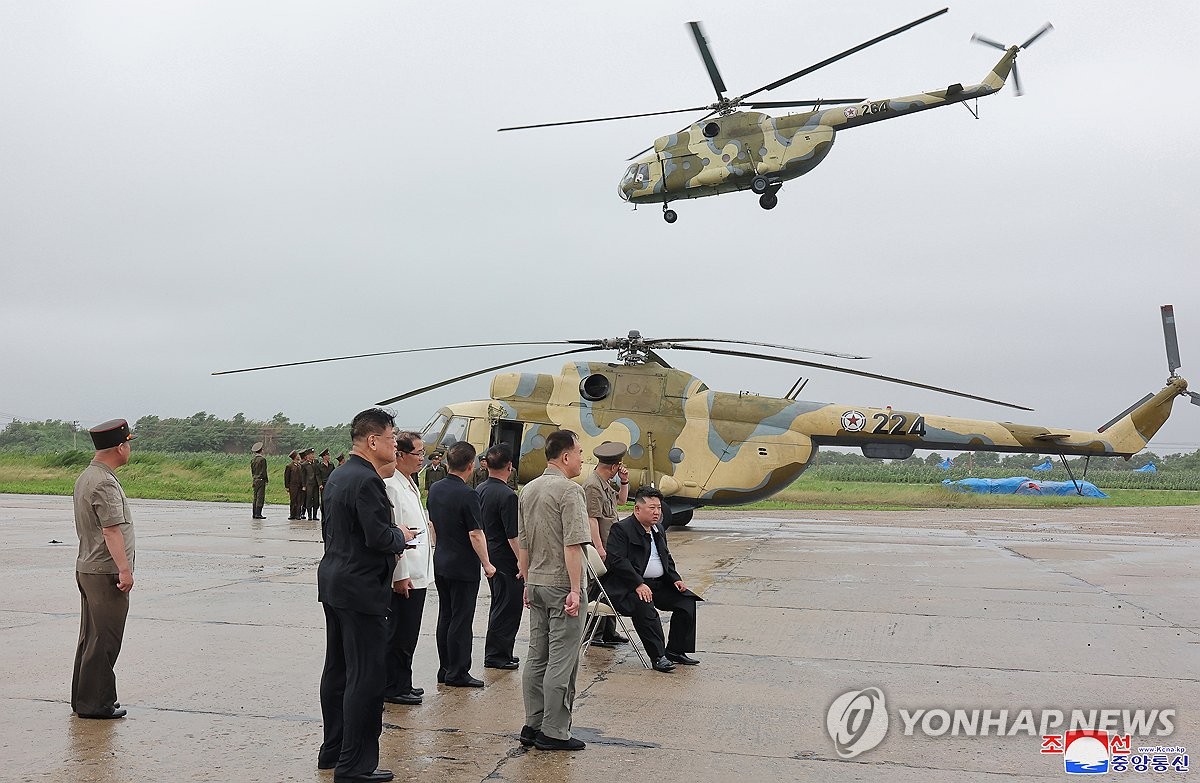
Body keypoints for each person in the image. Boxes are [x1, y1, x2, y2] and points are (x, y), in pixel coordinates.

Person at [317, 409, 408, 783]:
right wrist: (400, 534)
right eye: (391, 438)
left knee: (338, 669)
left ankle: (333, 750)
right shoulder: (369, 481)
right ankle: (355, 765)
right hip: (361, 587)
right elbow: (379, 537)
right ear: (373, 441)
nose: (394, 445)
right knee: (366, 675)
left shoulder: (339, 475)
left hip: (336, 581)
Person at [517, 429, 591, 751]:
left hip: (536, 581)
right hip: (563, 585)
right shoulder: (570, 491)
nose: (582, 458)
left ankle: (532, 724)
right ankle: (554, 730)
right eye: (579, 452)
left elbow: (523, 542)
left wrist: (526, 578)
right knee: (562, 660)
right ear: (565, 457)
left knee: (536, 656)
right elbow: (573, 544)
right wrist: (576, 589)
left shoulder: (528, 490)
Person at [72, 418, 137, 720]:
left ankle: (84, 700)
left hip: (88, 567)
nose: (129, 449)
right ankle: (96, 704)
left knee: (91, 638)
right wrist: (124, 571)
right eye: (128, 444)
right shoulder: (105, 482)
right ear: (120, 446)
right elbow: (112, 531)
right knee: (105, 641)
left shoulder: (87, 475)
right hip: (105, 572)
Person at [602, 487, 703, 673]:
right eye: (652, 508)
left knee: (686, 601)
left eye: (658, 508)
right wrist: (637, 583)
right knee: (645, 606)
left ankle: (675, 650)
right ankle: (658, 657)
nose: (657, 512)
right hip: (626, 587)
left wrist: (675, 579)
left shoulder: (658, 530)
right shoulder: (621, 529)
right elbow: (617, 561)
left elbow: (666, 557)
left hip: (657, 584)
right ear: (637, 509)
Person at [426, 441, 496, 687]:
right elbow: (475, 533)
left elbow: (433, 524)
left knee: (445, 614)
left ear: (447, 463)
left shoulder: (435, 489)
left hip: (442, 559)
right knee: (461, 618)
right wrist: (487, 564)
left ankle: (445, 668)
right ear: (471, 465)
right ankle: (458, 671)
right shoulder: (468, 494)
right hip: (462, 565)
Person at [383, 432, 433, 706]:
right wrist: (399, 575)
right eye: (417, 453)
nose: (421, 458)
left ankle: (404, 680)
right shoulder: (392, 485)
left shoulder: (409, 483)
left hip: (419, 572)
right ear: (400, 455)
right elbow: (397, 533)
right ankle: (393, 685)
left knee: (410, 631)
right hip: (406, 575)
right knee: (400, 633)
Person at [476, 444, 521, 670]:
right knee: (508, 606)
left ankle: (500, 651)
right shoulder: (507, 495)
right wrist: (522, 560)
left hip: (489, 552)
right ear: (510, 466)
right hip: (505, 556)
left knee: (499, 603)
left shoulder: (480, 489)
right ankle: (497, 655)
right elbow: (512, 535)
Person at [583, 441, 630, 647]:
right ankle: (594, 634)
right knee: (596, 589)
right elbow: (592, 518)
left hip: (611, 544)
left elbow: (621, 501)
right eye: (617, 468)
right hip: (600, 545)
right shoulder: (593, 485)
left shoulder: (605, 483)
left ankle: (609, 631)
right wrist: (599, 548)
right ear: (612, 467)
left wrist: (625, 481)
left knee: (610, 587)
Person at [250, 441, 268, 520]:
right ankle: (258, 514)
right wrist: (266, 480)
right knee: (260, 497)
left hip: (255, 479)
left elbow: (252, 471)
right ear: (261, 450)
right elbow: (264, 471)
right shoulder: (262, 459)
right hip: (261, 480)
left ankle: (254, 513)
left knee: (255, 497)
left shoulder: (253, 460)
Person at [317, 448, 336, 520]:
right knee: (323, 500)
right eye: (327, 455)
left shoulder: (331, 465)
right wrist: (320, 484)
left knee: (331, 499)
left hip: (330, 484)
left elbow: (334, 474)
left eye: (329, 455)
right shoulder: (319, 466)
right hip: (324, 485)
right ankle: (323, 514)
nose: (329, 457)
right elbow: (318, 475)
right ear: (324, 457)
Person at [303, 448, 321, 521]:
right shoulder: (304, 465)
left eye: (313, 454)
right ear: (307, 456)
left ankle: (315, 515)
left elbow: (318, 473)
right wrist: (304, 485)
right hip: (309, 484)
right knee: (309, 500)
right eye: (311, 454)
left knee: (316, 500)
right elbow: (303, 476)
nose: (312, 456)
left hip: (315, 484)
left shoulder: (316, 462)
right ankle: (309, 515)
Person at [285, 450, 304, 520]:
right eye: (297, 455)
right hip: (292, 486)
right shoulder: (289, 466)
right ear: (295, 457)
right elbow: (286, 477)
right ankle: (292, 514)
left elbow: (302, 476)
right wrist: (287, 486)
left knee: (299, 500)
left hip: (299, 486)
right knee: (293, 500)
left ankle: (298, 514)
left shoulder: (300, 466)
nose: (299, 456)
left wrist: (303, 485)